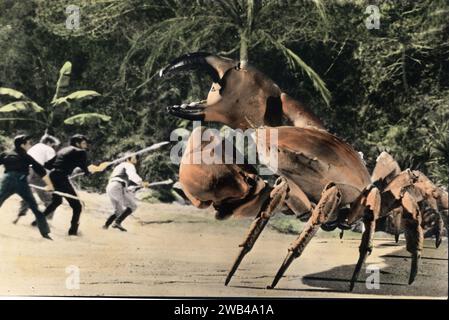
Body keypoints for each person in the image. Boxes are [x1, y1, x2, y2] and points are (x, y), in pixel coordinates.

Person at [42, 134, 109, 236]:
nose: (85, 145)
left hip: (53, 176)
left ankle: (37, 221)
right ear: (77, 143)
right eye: (83, 143)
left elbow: (48, 164)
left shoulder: (63, 150)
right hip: (61, 177)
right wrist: (97, 169)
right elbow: (85, 170)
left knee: (56, 202)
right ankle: (73, 233)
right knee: (77, 206)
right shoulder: (80, 152)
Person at [0, 135, 53, 239]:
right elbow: (40, 170)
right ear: (22, 145)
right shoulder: (26, 156)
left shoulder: (5, 154)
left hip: (7, 180)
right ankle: (45, 233)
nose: (30, 145)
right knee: (34, 207)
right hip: (21, 181)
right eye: (28, 143)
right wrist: (50, 185)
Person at [14, 133, 60, 224]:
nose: (53, 146)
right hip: (36, 172)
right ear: (48, 142)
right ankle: (46, 221)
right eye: (53, 144)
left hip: (25, 171)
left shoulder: (34, 147)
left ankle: (18, 217)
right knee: (49, 199)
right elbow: (52, 165)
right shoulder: (49, 149)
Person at [103, 152, 149, 232]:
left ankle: (105, 226)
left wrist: (129, 188)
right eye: (134, 158)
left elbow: (121, 180)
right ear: (128, 159)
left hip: (110, 187)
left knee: (119, 211)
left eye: (136, 158)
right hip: (117, 186)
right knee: (133, 206)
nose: (136, 160)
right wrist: (141, 182)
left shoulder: (118, 166)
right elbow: (131, 175)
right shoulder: (129, 165)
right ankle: (117, 222)